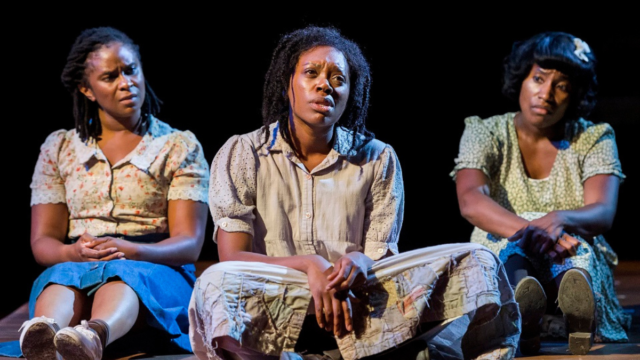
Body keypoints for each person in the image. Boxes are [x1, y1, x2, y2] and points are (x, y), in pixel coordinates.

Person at [188, 25, 521, 360]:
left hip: (357, 299)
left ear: (350, 93)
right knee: (215, 280)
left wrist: (359, 261)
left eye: (337, 78)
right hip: (278, 299)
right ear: (287, 84)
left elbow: (381, 256)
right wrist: (310, 265)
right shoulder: (244, 152)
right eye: (311, 73)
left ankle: (382, 347)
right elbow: (232, 256)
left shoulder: (377, 156)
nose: (324, 85)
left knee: (479, 258)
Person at [0, 26, 209, 359]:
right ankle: (44, 334)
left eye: (131, 70)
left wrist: (131, 250)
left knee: (124, 277)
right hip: (81, 259)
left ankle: (92, 336)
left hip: (155, 263)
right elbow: (43, 242)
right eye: (111, 77)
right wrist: (73, 253)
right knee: (63, 278)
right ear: (87, 89)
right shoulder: (60, 148)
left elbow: (190, 243)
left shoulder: (177, 146)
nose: (126, 83)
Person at [450, 31, 632, 356]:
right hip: (504, 239)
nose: (546, 94)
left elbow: (603, 210)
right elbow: (470, 200)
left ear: (574, 94)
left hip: (568, 243)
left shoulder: (593, 137)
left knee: (576, 258)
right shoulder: (485, 132)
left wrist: (559, 219)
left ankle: (575, 311)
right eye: (538, 79)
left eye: (560, 86)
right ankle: (524, 309)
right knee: (508, 258)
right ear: (521, 80)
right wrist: (531, 230)